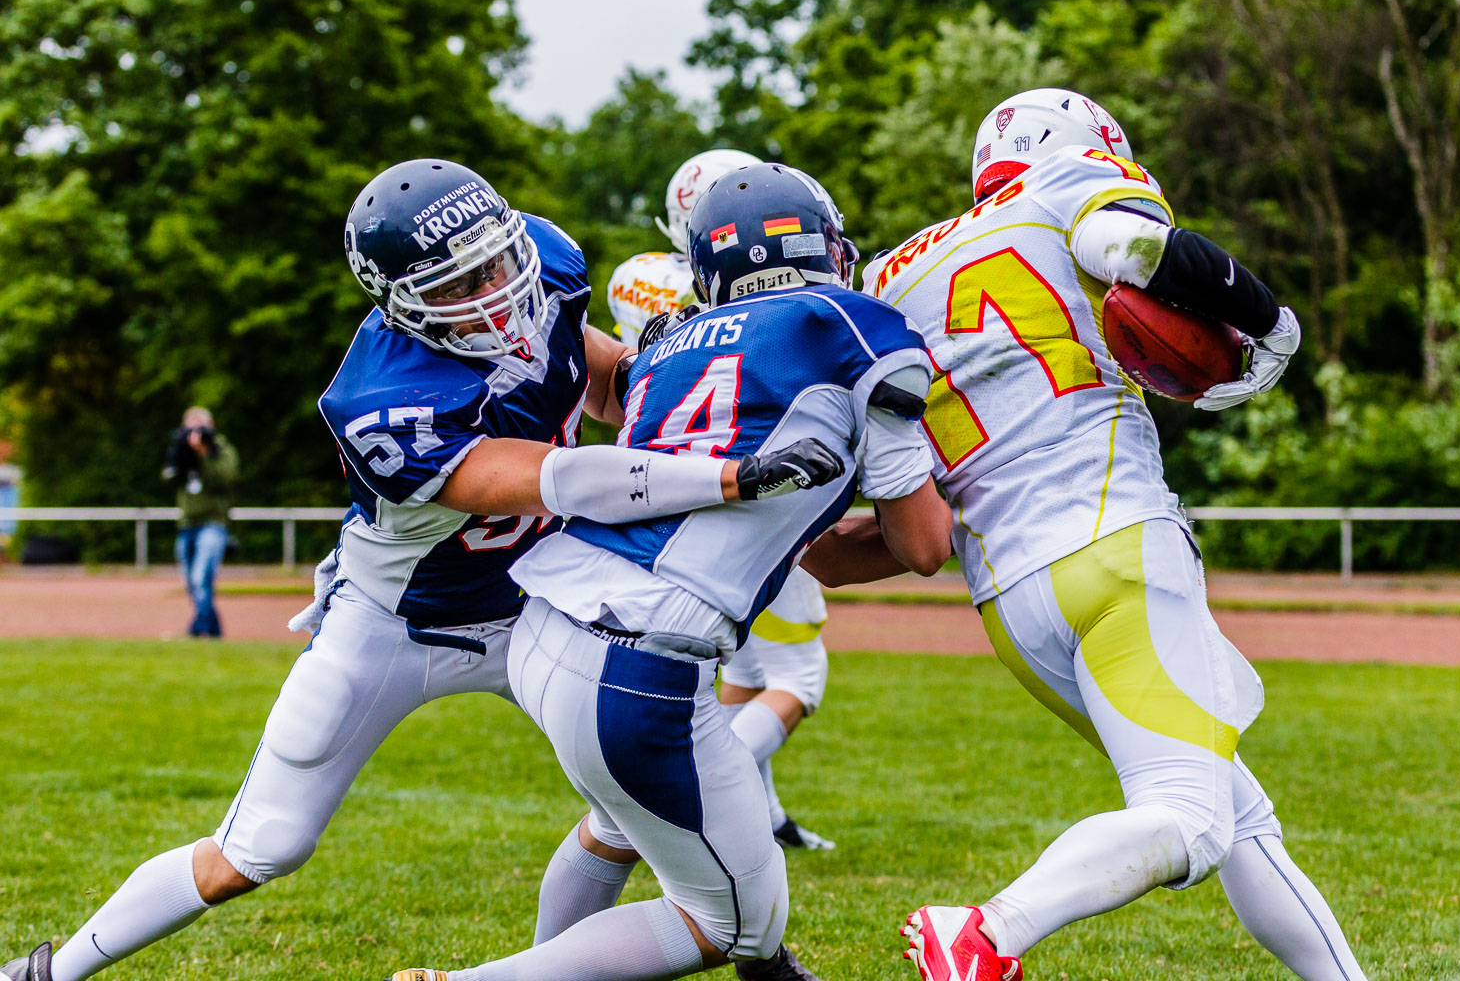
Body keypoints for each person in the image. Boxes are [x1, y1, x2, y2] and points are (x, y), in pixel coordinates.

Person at [0, 159, 845, 981]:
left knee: (637, 791)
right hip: (395, 625)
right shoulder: (382, 399)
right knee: (257, 849)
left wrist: (644, 376)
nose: (494, 293)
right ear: (401, 306)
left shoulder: (546, 267)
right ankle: (51, 970)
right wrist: (727, 473)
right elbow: (551, 477)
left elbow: (588, 369)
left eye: (497, 262)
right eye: (455, 285)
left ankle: (738, 952)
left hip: (533, 604)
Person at [805, 87, 1365, 981]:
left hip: (1008, 598)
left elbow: (877, 487)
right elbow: (1135, 249)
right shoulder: (1071, 184)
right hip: (1113, 545)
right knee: (1188, 815)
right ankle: (988, 930)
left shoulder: (883, 278)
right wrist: (1269, 326)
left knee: (1235, 811)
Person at [384, 162, 953, 981]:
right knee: (729, 924)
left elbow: (821, 555)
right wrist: (983, 519)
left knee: (622, 830)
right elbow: (925, 545)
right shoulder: (853, 325)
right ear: (822, 245)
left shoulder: (669, 346)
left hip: (550, 628)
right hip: (637, 659)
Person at [607, 148, 838, 851]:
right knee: (800, 677)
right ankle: (680, 805)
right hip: (761, 494)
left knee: (738, 675)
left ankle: (764, 818)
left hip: (672, 503)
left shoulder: (639, 282)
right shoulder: (775, 294)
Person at [162, 407, 238, 638]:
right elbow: (169, 478)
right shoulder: (181, 450)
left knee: (200, 578)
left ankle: (199, 628)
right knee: (192, 583)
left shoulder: (222, 450)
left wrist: (205, 454)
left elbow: (226, 479)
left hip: (213, 523)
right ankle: (212, 629)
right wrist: (184, 455)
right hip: (187, 524)